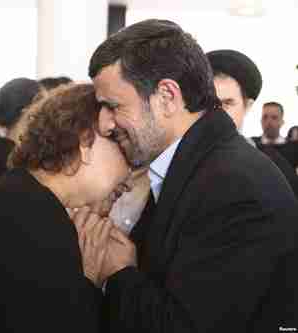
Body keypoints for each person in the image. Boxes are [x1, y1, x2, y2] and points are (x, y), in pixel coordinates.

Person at [81, 18, 298, 332]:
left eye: (113, 106)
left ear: (167, 97)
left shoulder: (233, 187)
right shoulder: (199, 166)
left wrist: (117, 272)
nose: (104, 124)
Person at [0, 84, 130, 333]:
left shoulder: (19, 196)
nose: (129, 172)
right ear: (85, 142)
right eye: (121, 143)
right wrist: (90, 279)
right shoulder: (38, 222)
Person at [207, 49, 298, 197]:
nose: (217, 112)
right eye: (211, 103)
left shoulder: (273, 166)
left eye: (227, 103)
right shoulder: (181, 160)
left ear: (247, 106)